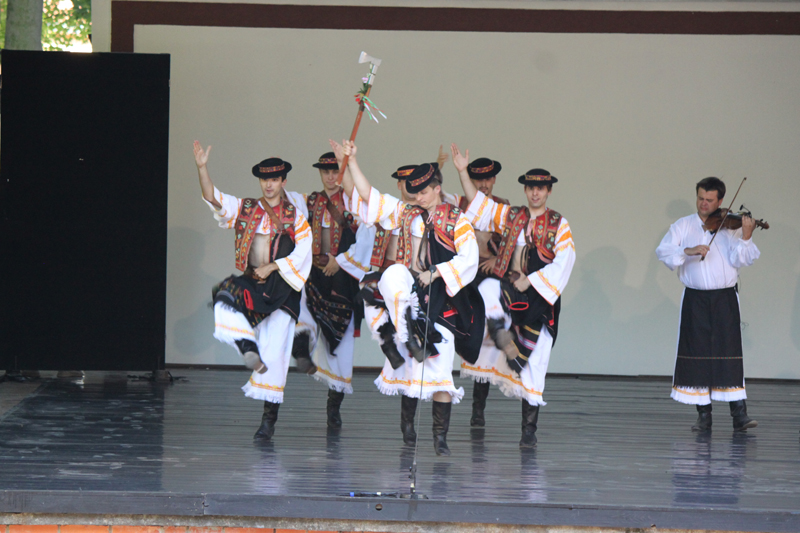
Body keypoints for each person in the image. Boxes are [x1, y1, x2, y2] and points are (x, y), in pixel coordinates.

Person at [342, 140, 482, 456]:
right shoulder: (405, 212)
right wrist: (352, 161)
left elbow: (469, 258)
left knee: (440, 366)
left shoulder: (456, 220)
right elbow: (369, 195)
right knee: (388, 277)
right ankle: (408, 337)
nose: (418, 197)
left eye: (423, 192)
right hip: (409, 292)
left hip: (440, 298)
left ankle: (440, 437)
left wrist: (437, 272)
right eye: (414, 192)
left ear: (437, 189)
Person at [451, 143, 575, 448]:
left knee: (537, 360)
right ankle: (499, 331)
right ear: (525, 190)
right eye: (531, 188)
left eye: (540, 188)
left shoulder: (559, 224)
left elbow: (565, 261)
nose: (535, 193)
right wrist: (463, 172)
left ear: (548, 191)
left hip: (540, 299)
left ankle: (528, 431)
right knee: (486, 289)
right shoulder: (512, 216)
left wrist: (530, 280)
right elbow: (480, 205)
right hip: (510, 292)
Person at [193, 141, 312, 441]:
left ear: (283, 181)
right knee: (223, 298)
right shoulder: (246, 208)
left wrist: (273, 266)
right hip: (253, 282)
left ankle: (268, 421)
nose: (269, 184)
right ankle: (247, 347)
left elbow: (304, 253)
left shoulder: (295, 217)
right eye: (264, 179)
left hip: (283, 287)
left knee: (276, 351)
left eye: (274, 179)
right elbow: (213, 197)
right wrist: (202, 167)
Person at [656, 177, 760, 432]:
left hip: (725, 298)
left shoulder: (731, 226)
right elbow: (663, 251)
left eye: (710, 200)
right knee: (697, 355)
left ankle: (739, 415)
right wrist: (687, 250)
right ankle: (704, 416)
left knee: (729, 353)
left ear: (720, 201)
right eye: (700, 198)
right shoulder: (683, 225)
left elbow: (743, 260)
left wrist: (746, 236)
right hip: (695, 298)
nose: (704, 204)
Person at [293, 151, 373, 428]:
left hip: (343, 278)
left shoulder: (354, 204)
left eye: (335, 171)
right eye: (325, 171)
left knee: (342, 339)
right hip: (314, 274)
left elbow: (367, 238)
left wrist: (340, 262)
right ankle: (301, 350)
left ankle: (334, 404)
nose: (330, 176)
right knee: (301, 307)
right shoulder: (309, 201)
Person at [443, 155, 510, 428]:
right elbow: (433, 195)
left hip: (492, 279)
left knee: (489, 342)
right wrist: (438, 166)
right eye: (478, 179)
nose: (483, 184)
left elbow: (513, 243)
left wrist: (498, 260)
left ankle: (478, 407)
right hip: (465, 279)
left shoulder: (503, 207)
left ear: (494, 179)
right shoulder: (458, 203)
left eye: (487, 178)